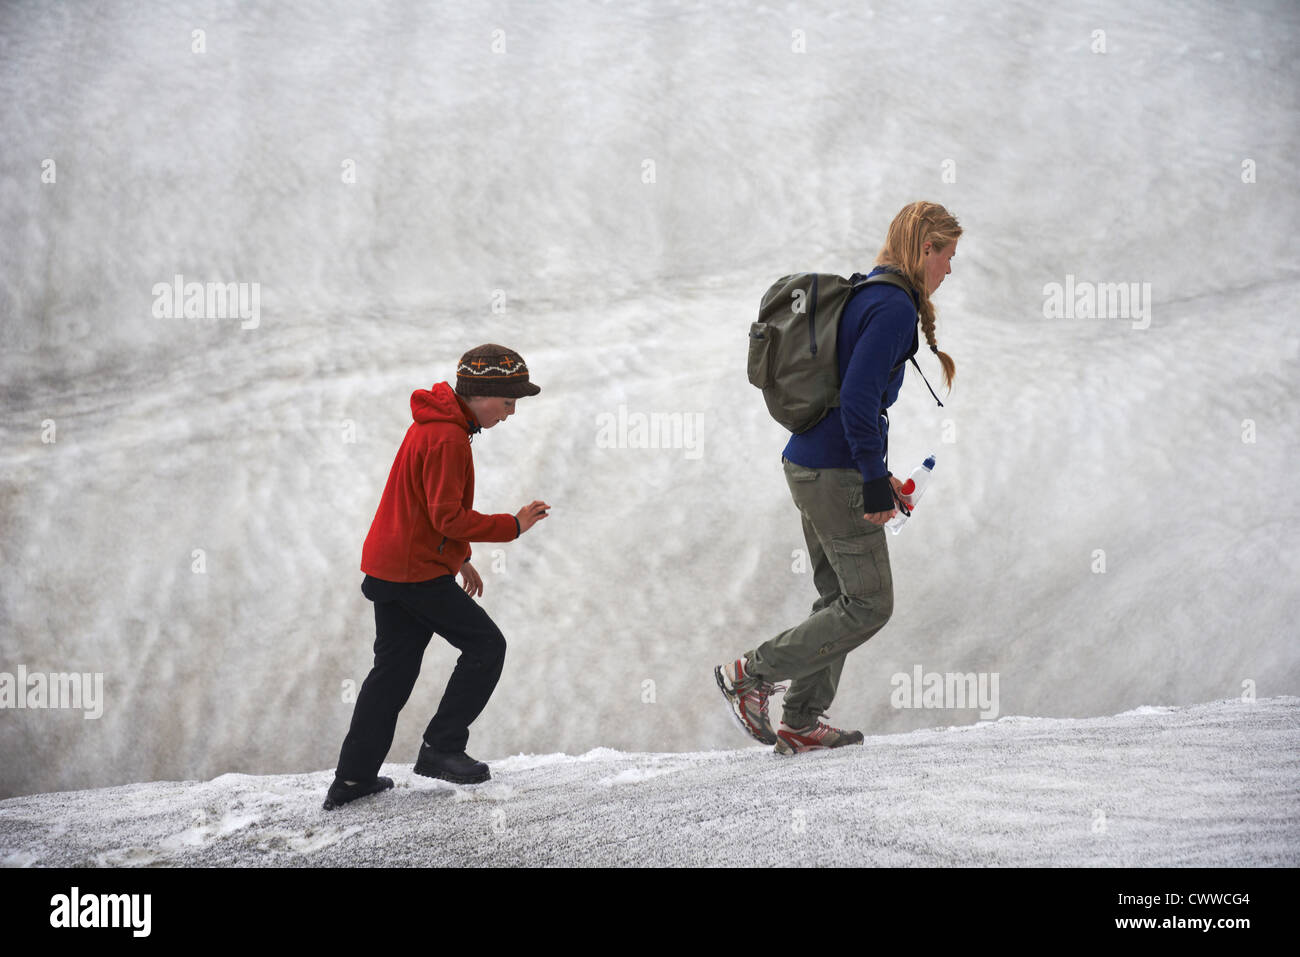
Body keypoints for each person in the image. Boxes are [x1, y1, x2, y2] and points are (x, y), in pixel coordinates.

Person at [716, 201, 961, 754]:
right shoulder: (894, 308)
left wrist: (878, 474)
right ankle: (748, 674)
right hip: (833, 471)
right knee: (869, 604)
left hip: (809, 463)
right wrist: (871, 481)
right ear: (926, 249)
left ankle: (801, 720)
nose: (949, 270)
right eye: (948, 257)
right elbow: (857, 398)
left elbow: (849, 402)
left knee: (837, 597)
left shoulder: (866, 294)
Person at [324, 343, 550, 810]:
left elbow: (423, 511)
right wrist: (512, 525)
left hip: (393, 567)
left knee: (391, 675)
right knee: (487, 645)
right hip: (413, 574)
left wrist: (458, 557)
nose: (510, 414)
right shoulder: (447, 437)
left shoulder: (433, 426)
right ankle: (441, 747)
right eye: (507, 402)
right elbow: (447, 516)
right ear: (481, 393)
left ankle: (352, 780)